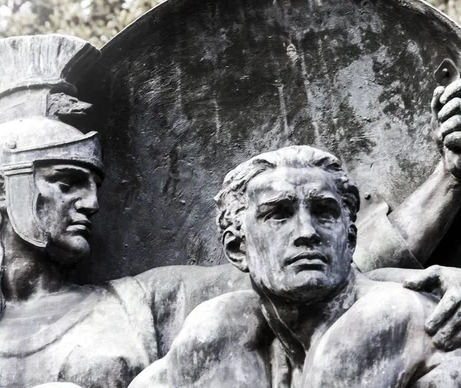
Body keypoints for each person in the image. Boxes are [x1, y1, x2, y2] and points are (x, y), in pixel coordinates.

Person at [0, 34, 461, 387]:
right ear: (0, 192)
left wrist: (450, 178)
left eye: (93, 182)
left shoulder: (142, 301)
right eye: (68, 181)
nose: (92, 202)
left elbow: (308, 272)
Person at [129, 146, 461, 387]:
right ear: (236, 247)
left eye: (324, 212)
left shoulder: (388, 312)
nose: (306, 232)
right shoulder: (226, 330)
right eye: (279, 214)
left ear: (349, 239)